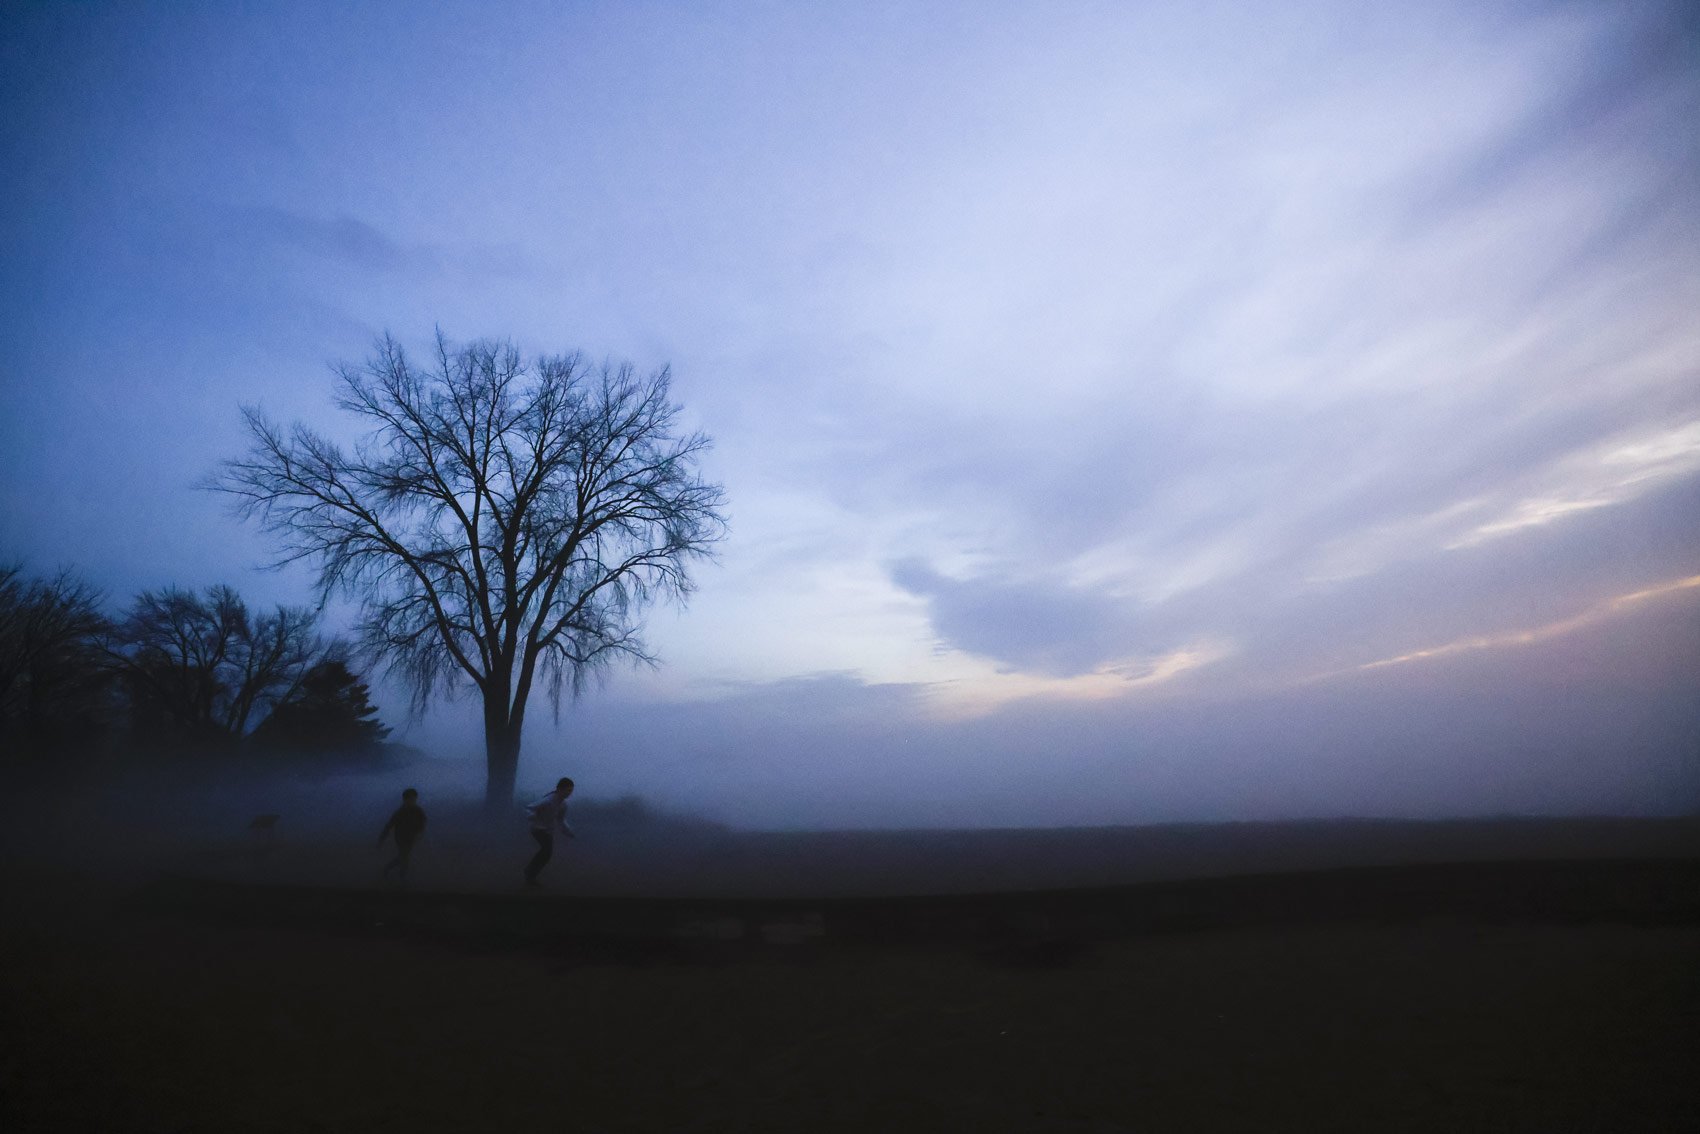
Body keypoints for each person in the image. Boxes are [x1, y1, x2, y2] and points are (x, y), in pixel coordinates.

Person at [523, 776, 575, 887]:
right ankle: (529, 871)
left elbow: (561, 820)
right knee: (547, 851)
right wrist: (532, 816)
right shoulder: (548, 800)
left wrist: (568, 832)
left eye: (571, 791)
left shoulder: (563, 805)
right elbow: (529, 807)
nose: (569, 793)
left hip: (548, 831)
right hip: (537, 829)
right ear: (559, 789)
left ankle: (530, 876)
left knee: (547, 854)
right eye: (568, 790)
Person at [377, 788, 427, 883]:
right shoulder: (400, 812)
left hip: (411, 837)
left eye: (414, 799)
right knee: (404, 857)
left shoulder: (418, 810)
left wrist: (420, 833)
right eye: (410, 799)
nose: (412, 801)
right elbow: (389, 825)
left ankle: (389, 870)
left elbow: (423, 822)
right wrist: (381, 839)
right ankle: (401, 878)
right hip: (401, 838)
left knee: (403, 857)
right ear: (405, 800)